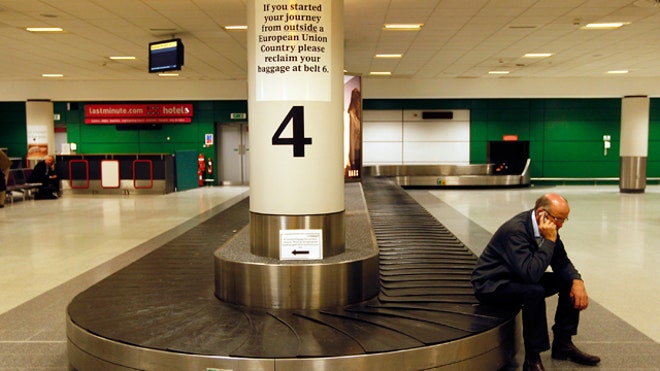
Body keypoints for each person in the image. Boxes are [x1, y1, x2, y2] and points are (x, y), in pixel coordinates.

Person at [472, 194, 600, 371]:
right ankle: (532, 358)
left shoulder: (548, 226)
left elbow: (561, 262)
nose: (561, 225)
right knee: (534, 291)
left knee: (567, 281)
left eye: (565, 220)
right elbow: (530, 275)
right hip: (493, 284)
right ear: (541, 213)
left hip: (517, 276)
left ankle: (563, 343)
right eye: (558, 219)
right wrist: (549, 241)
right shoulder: (516, 231)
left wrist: (577, 280)